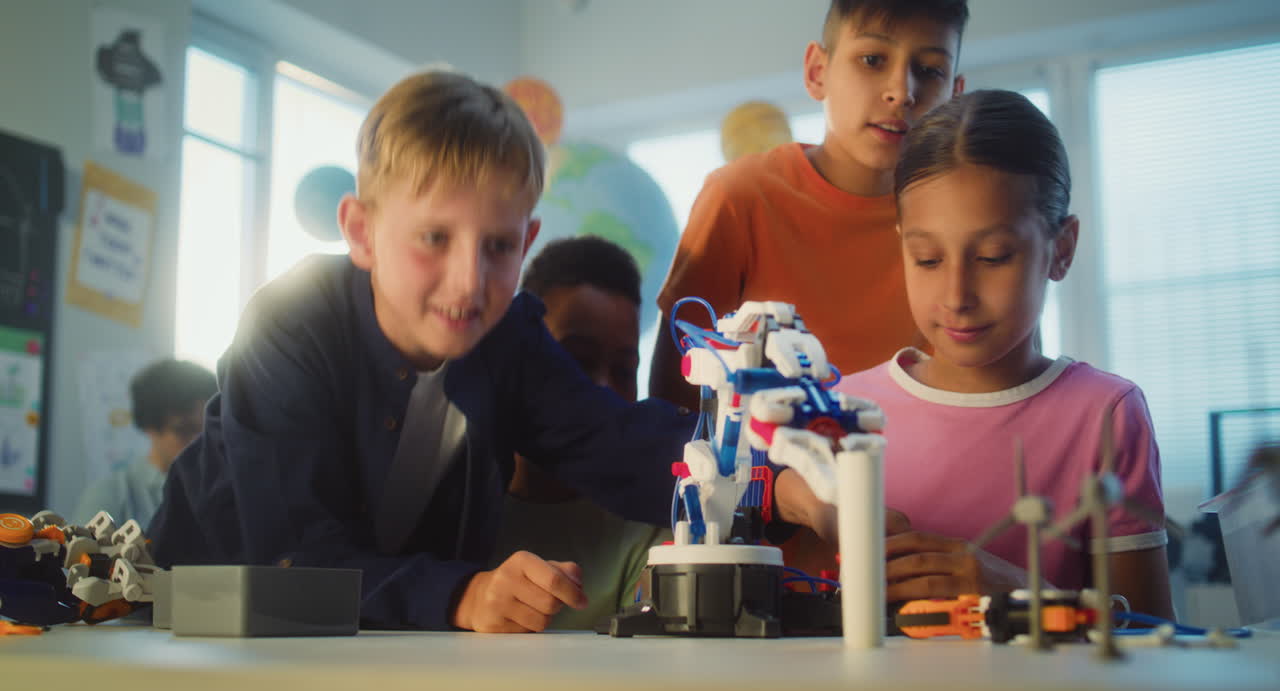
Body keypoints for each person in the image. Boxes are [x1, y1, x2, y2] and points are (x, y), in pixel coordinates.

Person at [149, 70, 839, 633]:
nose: (469, 282)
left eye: (499, 246)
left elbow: (618, 441)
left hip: (371, 647)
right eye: (434, 238)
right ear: (360, 231)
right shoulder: (289, 326)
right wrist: (463, 595)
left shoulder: (507, 336)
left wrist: (786, 484)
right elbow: (293, 556)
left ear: (528, 240)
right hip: (195, 636)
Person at [836, 89, 1174, 618]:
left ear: (1061, 249)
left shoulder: (1105, 414)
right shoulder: (843, 408)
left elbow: (1153, 634)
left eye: (994, 257)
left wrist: (1022, 596)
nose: (956, 296)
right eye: (927, 259)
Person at [650, 0, 969, 412]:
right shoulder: (739, 198)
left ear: (955, 95)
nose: (902, 92)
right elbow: (673, 403)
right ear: (818, 71)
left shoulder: (964, 217)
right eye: (872, 60)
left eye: (929, 70)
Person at [491, 235, 669, 630]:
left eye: (623, 370)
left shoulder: (650, 529)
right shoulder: (459, 499)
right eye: (576, 361)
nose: (601, 389)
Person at [74, 359, 215, 529]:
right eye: (184, 430)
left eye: (208, 430)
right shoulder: (111, 496)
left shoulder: (223, 490)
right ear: (150, 426)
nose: (199, 442)